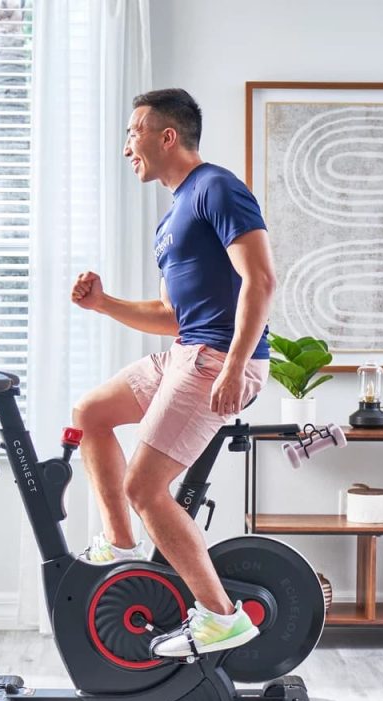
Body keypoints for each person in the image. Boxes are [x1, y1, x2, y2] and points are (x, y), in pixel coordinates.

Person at [68, 88, 275, 659]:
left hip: (216, 360)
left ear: (166, 136)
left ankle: (220, 617)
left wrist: (235, 366)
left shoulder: (216, 187)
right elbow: (171, 316)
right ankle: (121, 543)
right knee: (90, 414)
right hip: (186, 351)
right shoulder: (172, 219)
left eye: (134, 132)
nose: (126, 146)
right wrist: (104, 304)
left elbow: (260, 280)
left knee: (145, 486)